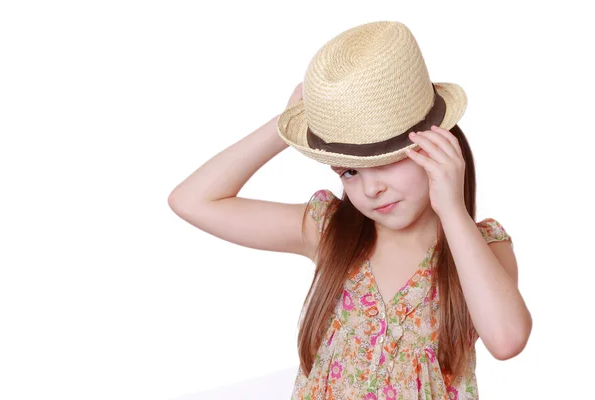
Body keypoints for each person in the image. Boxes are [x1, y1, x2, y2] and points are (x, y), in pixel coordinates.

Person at [168, 21, 532, 400]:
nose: (371, 188)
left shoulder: (481, 247)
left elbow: (506, 340)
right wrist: (287, 123)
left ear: (438, 144)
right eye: (350, 171)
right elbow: (192, 201)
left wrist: (453, 210)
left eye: (388, 161)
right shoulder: (330, 231)